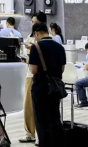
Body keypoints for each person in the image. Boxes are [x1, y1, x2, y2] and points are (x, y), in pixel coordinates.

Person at [28, 22, 66, 147]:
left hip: (40, 89)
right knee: (55, 120)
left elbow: (33, 70)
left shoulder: (36, 47)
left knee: (42, 123)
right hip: (55, 89)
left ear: (36, 33)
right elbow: (62, 69)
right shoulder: (59, 47)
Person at [19, 12, 48, 144]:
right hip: (30, 74)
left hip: (41, 76)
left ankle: (41, 134)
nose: (32, 24)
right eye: (32, 21)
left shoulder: (48, 39)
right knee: (28, 105)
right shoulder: (29, 37)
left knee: (43, 106)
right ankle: (30, 133)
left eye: (34, 21)